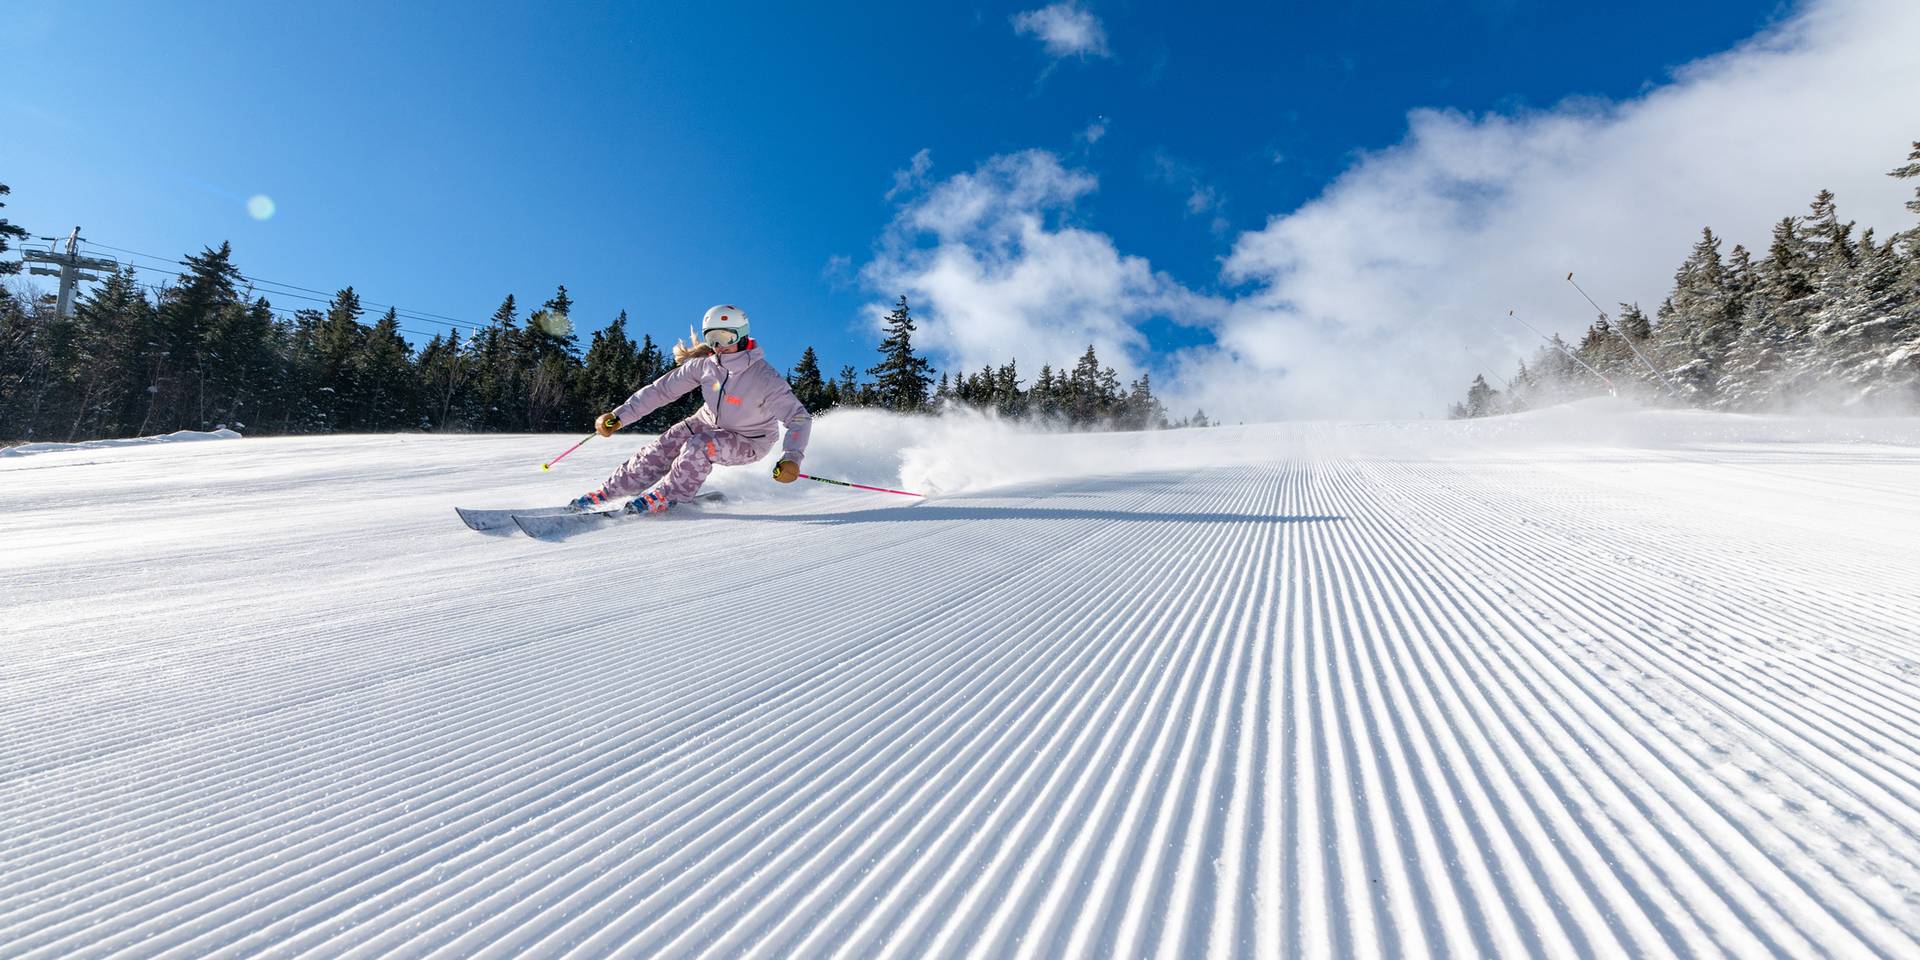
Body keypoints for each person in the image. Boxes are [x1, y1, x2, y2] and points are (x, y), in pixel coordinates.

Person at [571, 304, 811, 514]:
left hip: (750, 439)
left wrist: (792, 458)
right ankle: (610, 492)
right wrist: (619, 416)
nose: (718, 346)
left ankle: (670, 495)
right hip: (707, 421)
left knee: (700, 446)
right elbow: (660, 391)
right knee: (664, 444)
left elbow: (799, 418)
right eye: (712, 339)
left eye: (724, 338)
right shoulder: (704, 366)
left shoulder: (763, 377)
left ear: (740, 336)